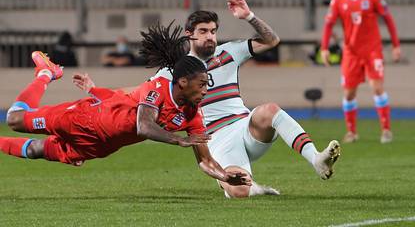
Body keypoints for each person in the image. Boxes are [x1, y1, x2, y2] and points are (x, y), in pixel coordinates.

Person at [0, 25, 251, 189]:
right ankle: (46, 73)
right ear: (183, 82)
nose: (206, 90)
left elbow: (205, 160)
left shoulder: (193, 116)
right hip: (83, 120)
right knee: (15, 119)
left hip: (99, 146)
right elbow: (143, 125)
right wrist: (178, 140)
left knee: (36, 151)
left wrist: (224, 176)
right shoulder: (158, 88)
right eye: (202, 84)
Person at [147, 0, 340, 198]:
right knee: (239, 191)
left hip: (246, 127)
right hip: (216, 139)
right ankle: (254, 188)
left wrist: (249, 16)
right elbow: (145, 97)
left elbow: (272, 40)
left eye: (213, 31)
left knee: (269, 110)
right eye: (203, 31)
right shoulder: (172, 72)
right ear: (189, 35)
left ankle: (316, 159)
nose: (210, 36)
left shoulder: (228, 52)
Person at [321, 0, 402, 144]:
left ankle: (386, 130)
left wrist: (396, 45)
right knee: (349, 94)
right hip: (351, 53)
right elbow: (328, 25)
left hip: (373, 50)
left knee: (377, 88)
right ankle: (351, 132)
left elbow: (388, 19)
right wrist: (324, 48)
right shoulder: (338, 0)